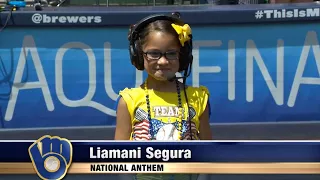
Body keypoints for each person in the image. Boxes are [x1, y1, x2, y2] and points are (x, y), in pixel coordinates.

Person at [115, 12, 212, 141]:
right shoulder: (128, 101)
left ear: (182, 56)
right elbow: (117, 154)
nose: (163, 61)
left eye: (171, 54)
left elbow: (209, 155)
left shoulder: (198, 99)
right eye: (154, 53)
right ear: (138, 55)